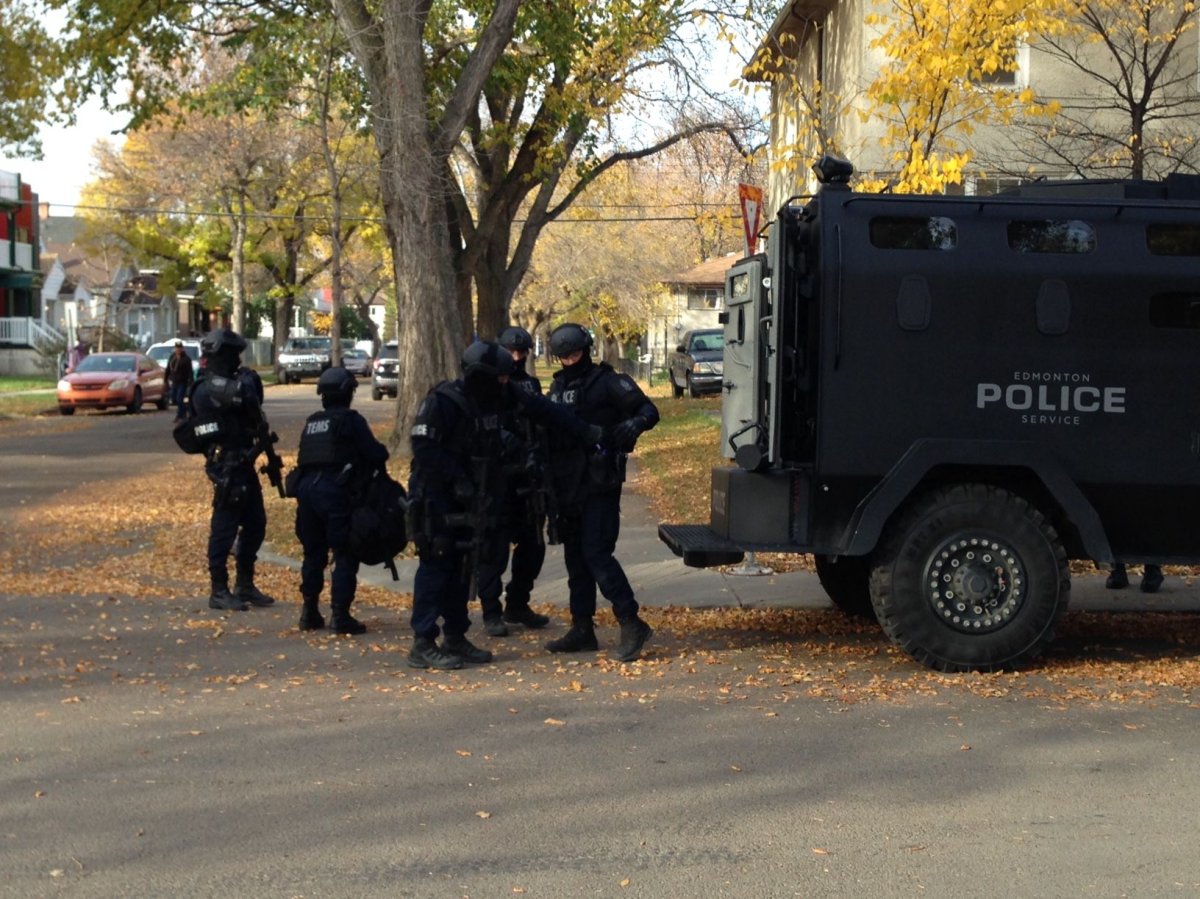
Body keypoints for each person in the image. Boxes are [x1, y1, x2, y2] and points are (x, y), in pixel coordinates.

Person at [406, 340, 602, 670]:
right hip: (437, 496)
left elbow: (544, 410)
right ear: (481, 375)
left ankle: (455, 636)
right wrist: (458, 479)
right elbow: (423, 446)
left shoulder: (500, 393)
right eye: (499, 377)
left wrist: (588, 432)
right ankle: (423, 641)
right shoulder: (443, 401)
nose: (505, 383)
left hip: (476, 495)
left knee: (464, 564)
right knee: (439, 562)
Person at [543, 322, 660, 662]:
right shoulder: (557, 388)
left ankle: (631, 621)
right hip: (567, 484)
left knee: (596, 554)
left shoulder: (607, 381)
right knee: (575, 559)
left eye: (575, 354)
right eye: (563, 356)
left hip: (599, 482)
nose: (569, 361)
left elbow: (649, 410)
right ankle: (582, 627)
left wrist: (634, 424)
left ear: (586, 351)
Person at [292, 367, 390, 634]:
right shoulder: (351, 421)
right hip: (335, 492)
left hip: (306, 492)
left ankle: (309, 611)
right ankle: (340, 614)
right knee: (344, 552)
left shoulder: (312, 422)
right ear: (348, 393)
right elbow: (375, 453)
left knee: (313, 554)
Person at [191, 328, 278, 612]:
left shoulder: (235, 381)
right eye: (232, 355)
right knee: (224, 528)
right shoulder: (207, 387)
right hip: (227, 465)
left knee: (256, 524)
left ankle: (244, 584)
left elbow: (253, 403)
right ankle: (219, 589)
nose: (237, 360)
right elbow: (241, 400)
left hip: (245, 461)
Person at [475, 326, 552, 636]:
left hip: (528, 476)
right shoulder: (488, 386)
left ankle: (517, 603)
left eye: (522, 353)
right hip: (497, 476)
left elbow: (542, 423)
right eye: (512, 352)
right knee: (494, 547)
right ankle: (491, 611)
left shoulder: (531, 385)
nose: (517, 358)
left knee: (533, 544)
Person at [165, 340, 195, 421]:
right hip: (174, 381)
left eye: (179, 348)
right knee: (174, 397)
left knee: (179, 398)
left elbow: (190, 371)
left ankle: (181, 415)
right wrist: (166, 379)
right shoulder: (172, 357)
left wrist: (191, 381)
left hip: (182, 381)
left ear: (182, 349)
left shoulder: (186, 359)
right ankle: (182, 412)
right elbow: (168, 368)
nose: (178, 349)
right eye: (176, 348)